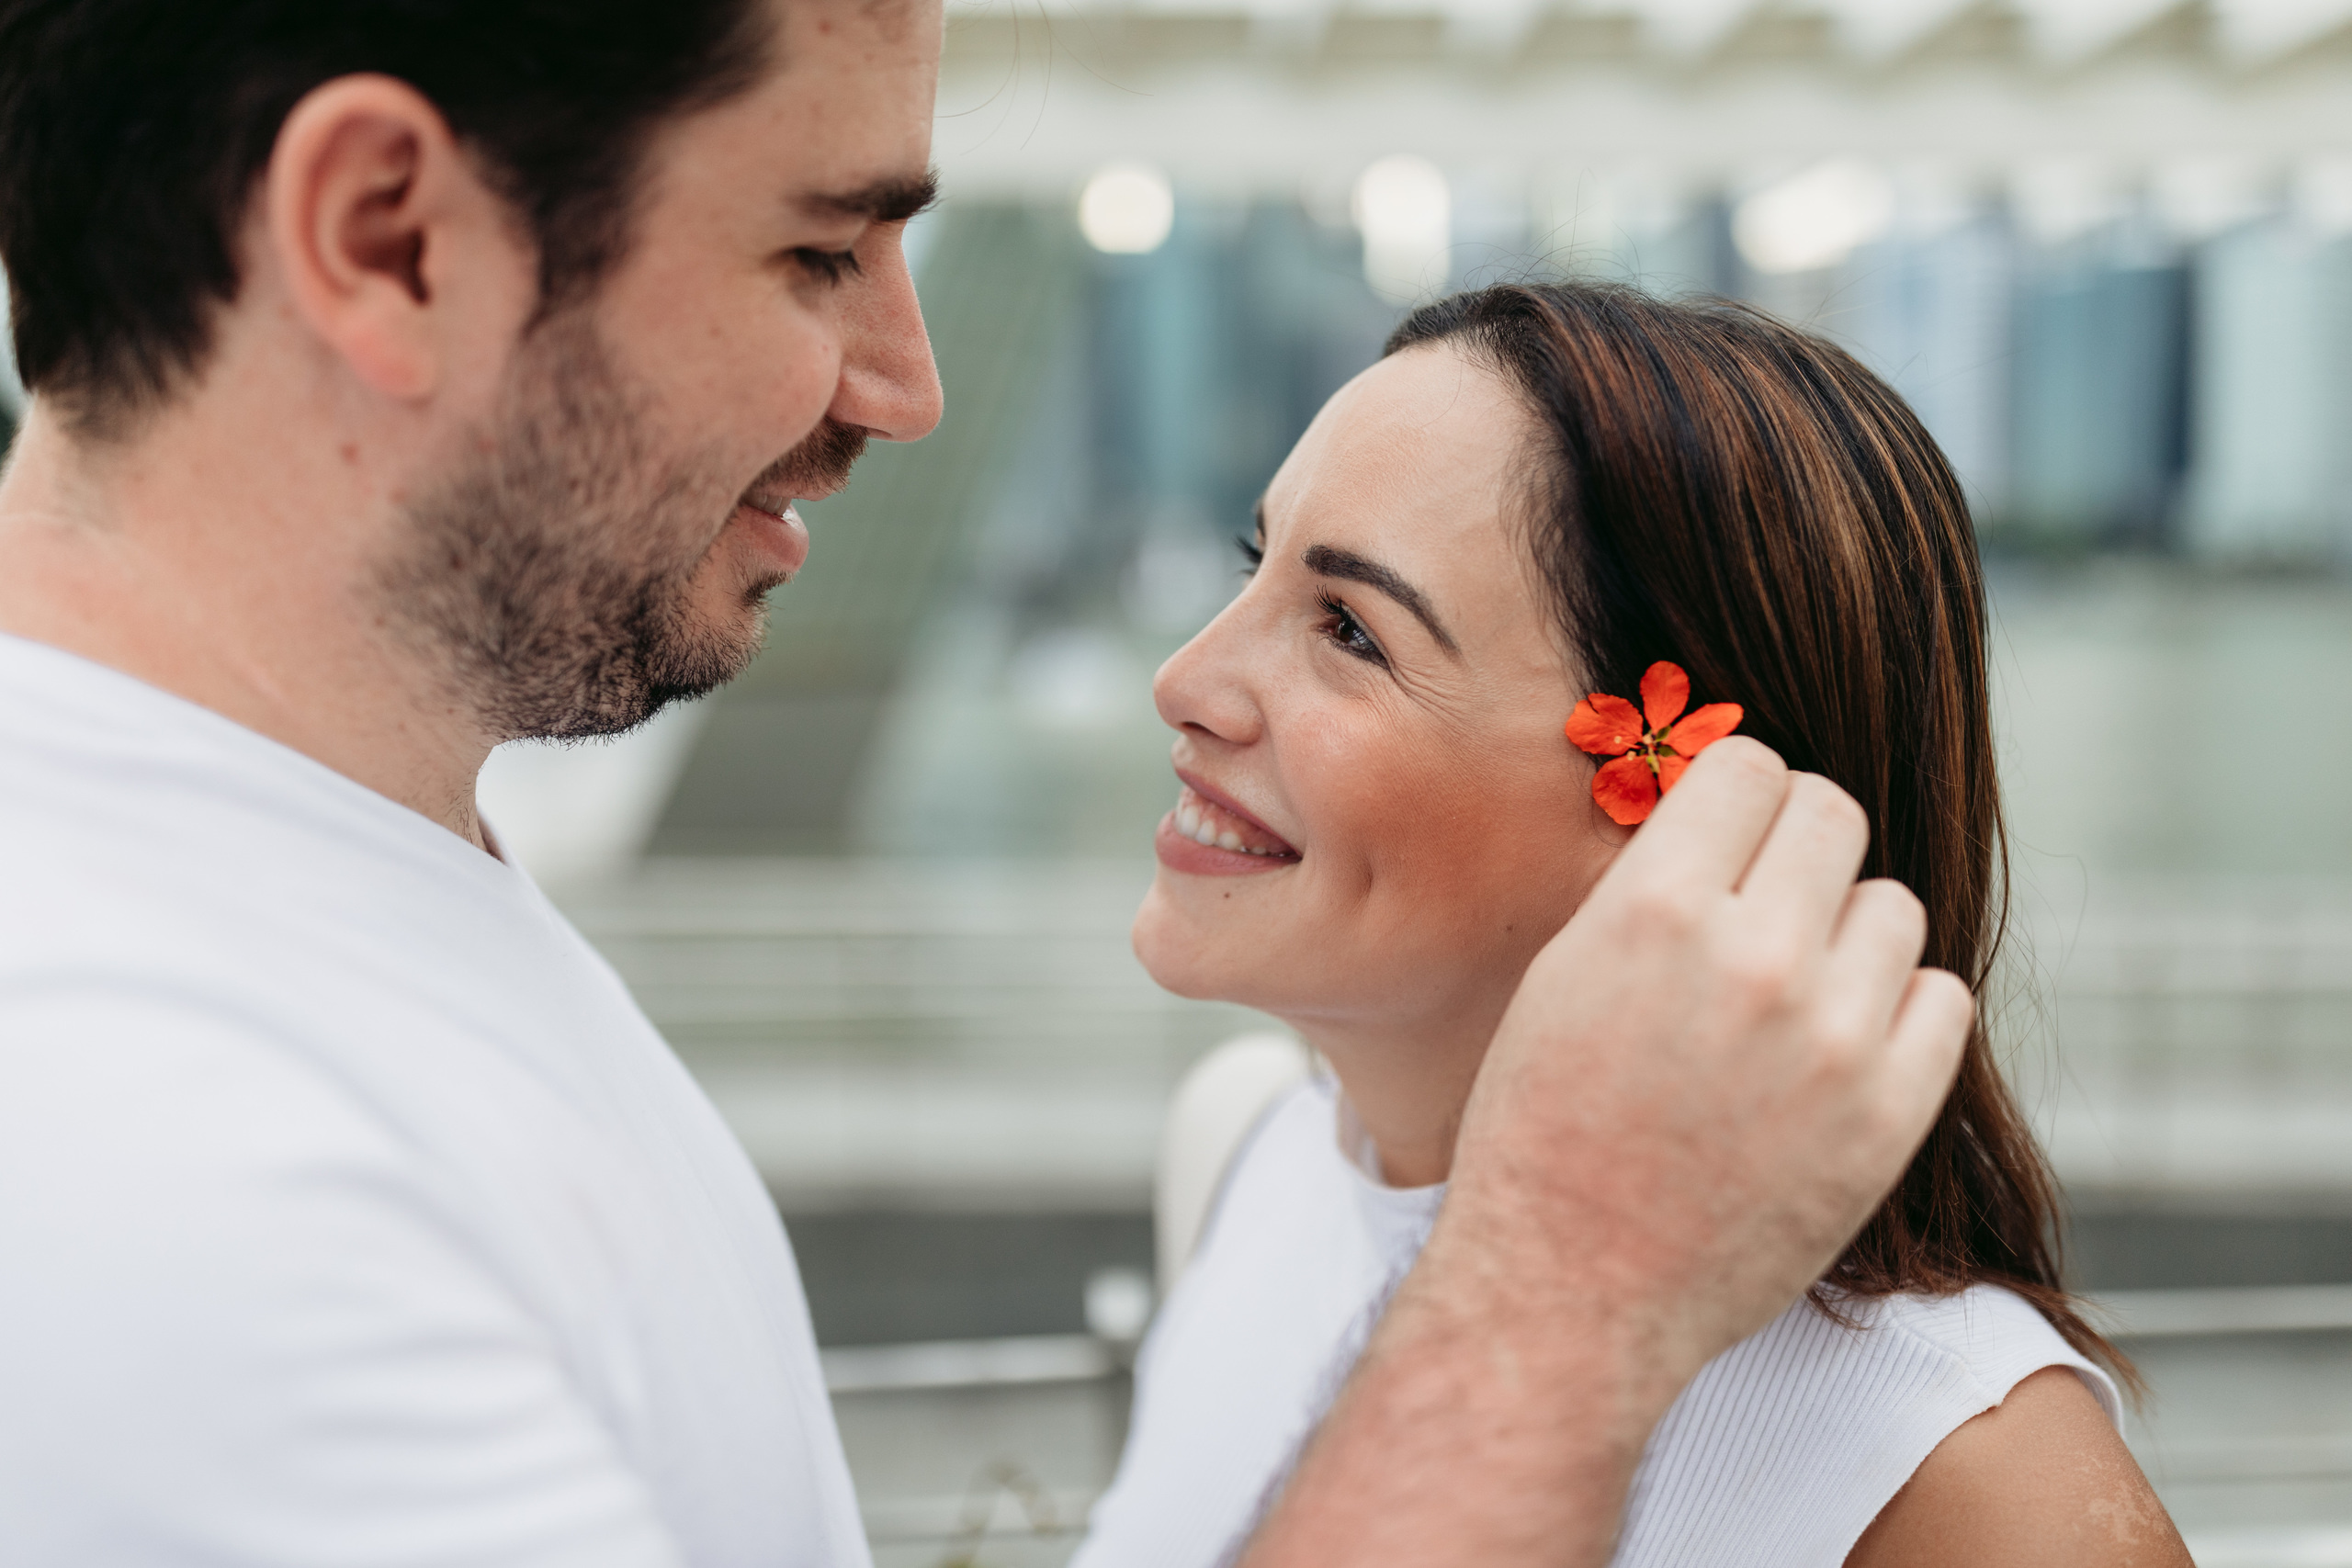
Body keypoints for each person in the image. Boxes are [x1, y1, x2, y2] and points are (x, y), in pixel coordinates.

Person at [0, 3, 1972, 1564]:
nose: (904, 384)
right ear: (387, 237)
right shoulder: (146, 1173)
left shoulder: (324, 878)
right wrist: (1563, 1290)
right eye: (819, 247)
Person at [1080, 282, 2193, 1568]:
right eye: (1253, 563)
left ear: (1691, 803)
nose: (1184, 678)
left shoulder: (1978, 1480)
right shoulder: (1249, 1156)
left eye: (1349, 630)